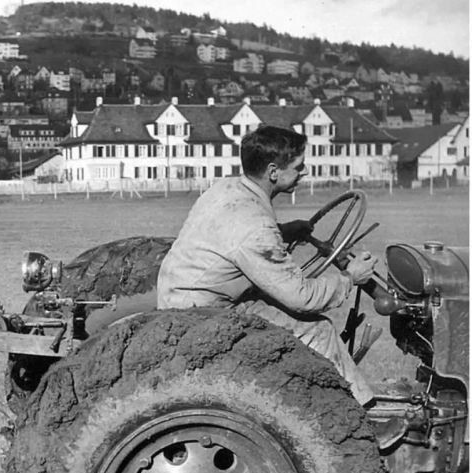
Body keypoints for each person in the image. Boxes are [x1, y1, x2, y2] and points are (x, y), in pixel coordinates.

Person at [156, 124, 377, 405]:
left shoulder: (229, 189)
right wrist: (350, 279)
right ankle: (358, 413)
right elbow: (303, 298)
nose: (304, 172)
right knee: (317, 329)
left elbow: (234, 239)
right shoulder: (255, 225)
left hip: (186, 294)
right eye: (298, 167)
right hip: (203, 314)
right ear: (274, 172)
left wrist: (285, 231)